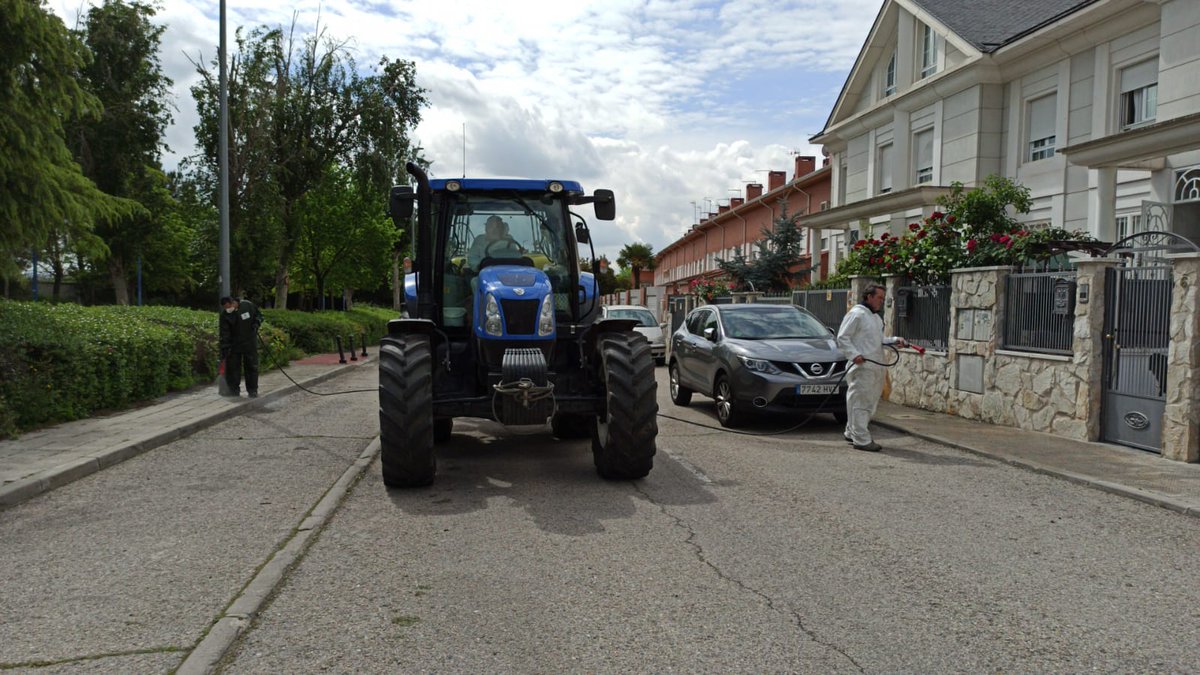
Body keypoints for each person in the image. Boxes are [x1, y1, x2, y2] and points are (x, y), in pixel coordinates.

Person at [836, 284, 906, 452]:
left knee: (865, 401)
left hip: (874, 365)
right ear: (869, 296)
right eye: (879, 298)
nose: (882, 301)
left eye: (883, 298)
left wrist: (895, 341)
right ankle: (861, 439)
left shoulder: (874, 318)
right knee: (862, 401)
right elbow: (842, 337)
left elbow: (877, 341)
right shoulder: (857, 314)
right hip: (862, 366)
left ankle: (851, 431)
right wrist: (854, 355)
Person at [219, 296, 264, 398]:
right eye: (226, 308)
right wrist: (225, 347)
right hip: (234, 345)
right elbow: (224, 332)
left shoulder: (247, 305)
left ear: (234, 303)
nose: (228, 309)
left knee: (251, 367)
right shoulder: (225, 315)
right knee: (233, 368)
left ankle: (252, 390)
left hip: (249, 342)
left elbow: (259, 315)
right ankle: (234, 390)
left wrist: (256, 323)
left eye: (229, 307)